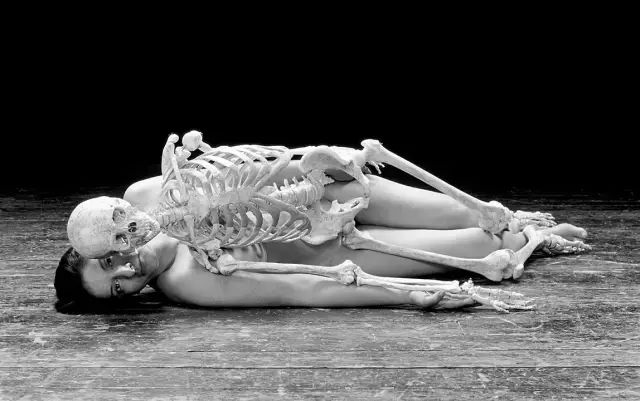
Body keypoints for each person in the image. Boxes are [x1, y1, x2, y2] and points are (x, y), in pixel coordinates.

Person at [54, 160, 589, 313]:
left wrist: (318, 164)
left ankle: (522, 220)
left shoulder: (145, 193)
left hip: (320, 195)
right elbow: (304, 288)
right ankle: (533, 239)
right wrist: (404, 295)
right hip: (338, 249)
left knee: (470, 214)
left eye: (108, 263)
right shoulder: (189, 283)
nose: (128, 270)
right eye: (120, 289)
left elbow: (247, 164)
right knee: (481, 247)